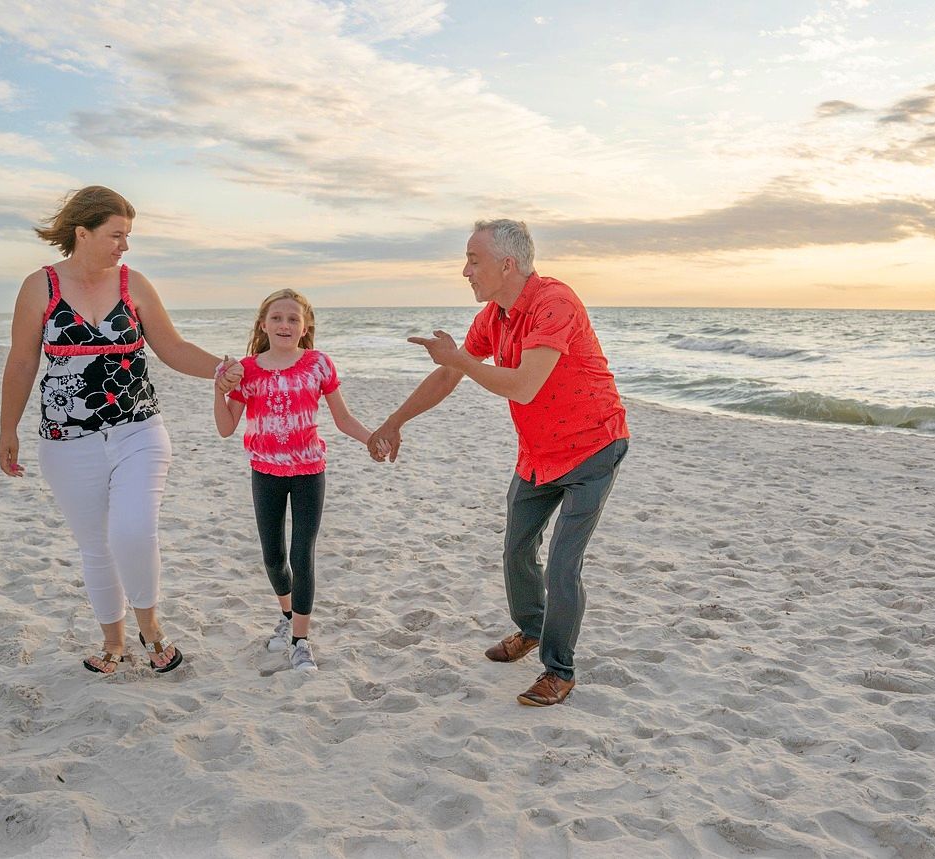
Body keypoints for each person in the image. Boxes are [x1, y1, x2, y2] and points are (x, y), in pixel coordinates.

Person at [368, 219, 629, 707]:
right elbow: (449, 376)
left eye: (473, 259)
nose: (465, 270)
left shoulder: (555, 302)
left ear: (507, 264)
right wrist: (394, 421)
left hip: (594, 447)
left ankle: (559, 669)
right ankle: (531, 629)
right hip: (539, 454)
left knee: (562, 565)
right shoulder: (495, 315)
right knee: (516, 551)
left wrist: (460, 361)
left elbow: (522, 385)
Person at [0, 185, 242, 675]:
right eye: (116, 235)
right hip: (67, 441)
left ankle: (150, 628)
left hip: (139, 429)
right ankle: (113, 643)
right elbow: (23, 362)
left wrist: (223, 369)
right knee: (96, 546)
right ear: (82, 233)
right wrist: (9, 430)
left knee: (133, 529)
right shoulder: (39, 287)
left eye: (127, 236)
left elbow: (172, 347)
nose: (124, 246)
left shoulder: (135, 284)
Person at [213, 289, 379, 673]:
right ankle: (287, 616)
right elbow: (225, 428)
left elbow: (342, 418)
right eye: (277, 317)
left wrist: (372, 438)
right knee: (274, 557)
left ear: (305, 327)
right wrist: (218, 389)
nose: (284, 324)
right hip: (265, 472)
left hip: (308, 471)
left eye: (292, 318)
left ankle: (301, 642)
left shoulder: (318, 364)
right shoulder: (247, 370)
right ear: (263, 323)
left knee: (303, 554)